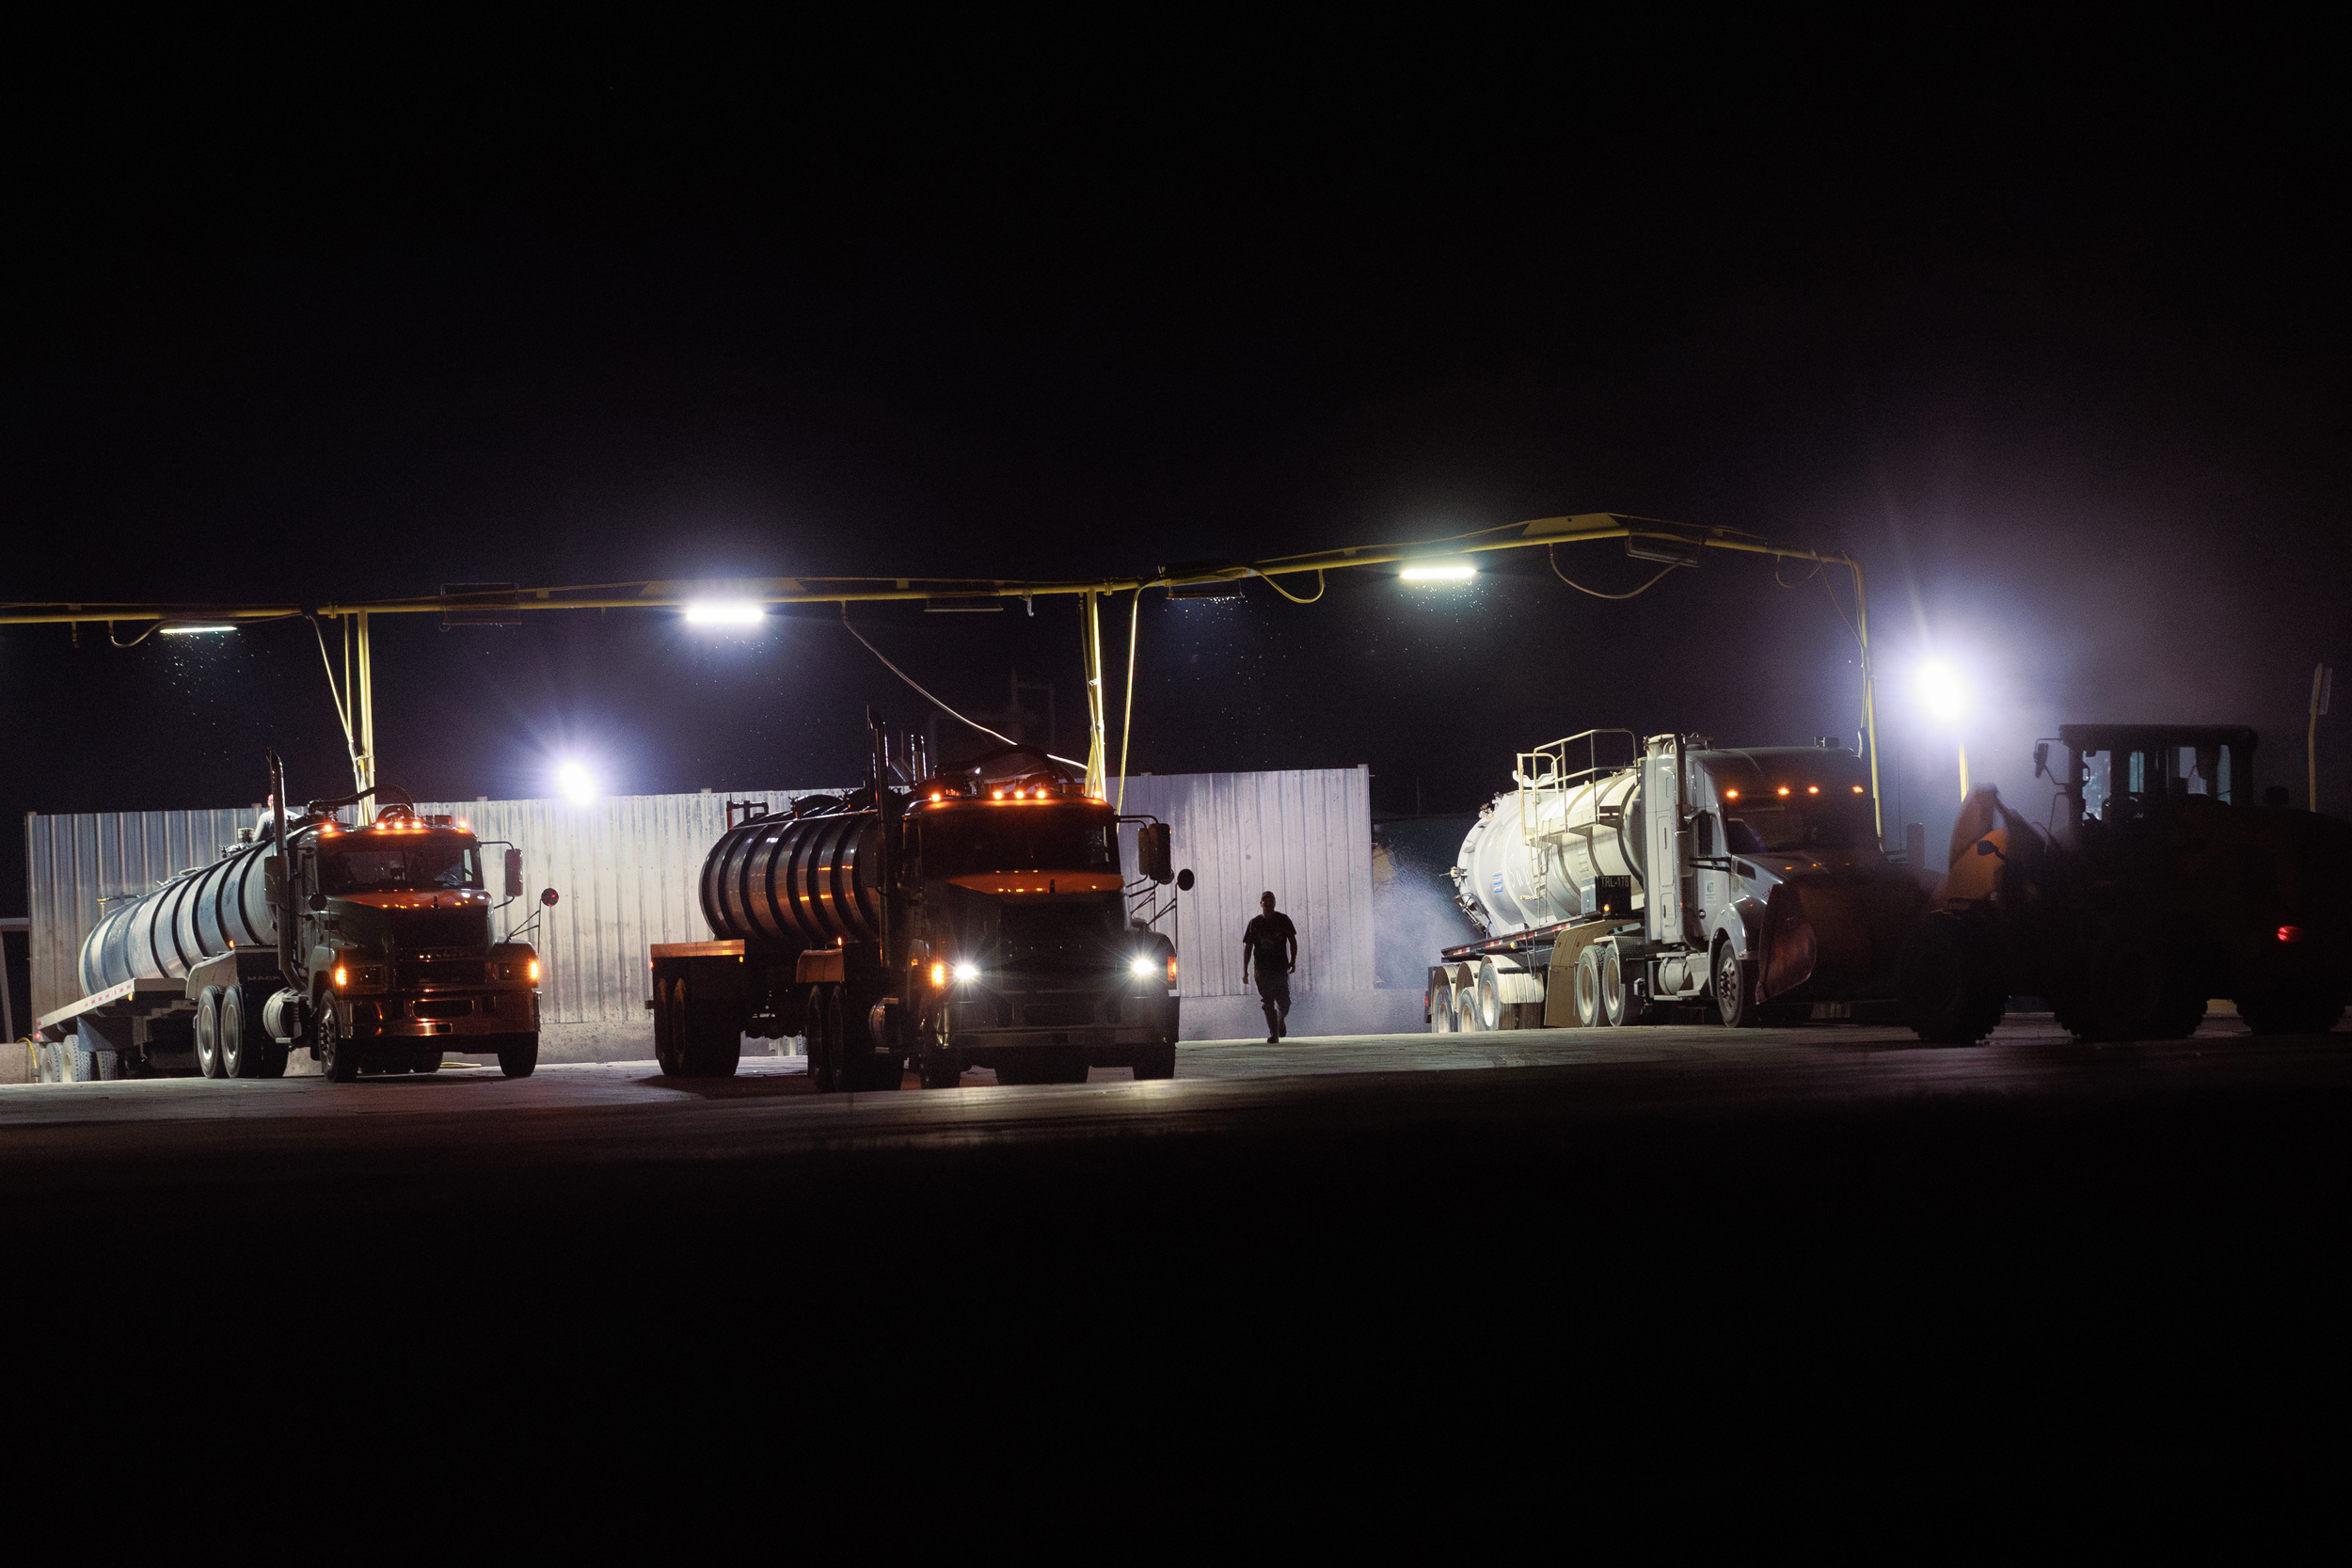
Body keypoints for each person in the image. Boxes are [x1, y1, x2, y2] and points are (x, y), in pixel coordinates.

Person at [1241, 891, 1297, 1044]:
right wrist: (1245, 970)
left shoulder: (1283, 920)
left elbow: (1292, 940)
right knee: (1268, 1001)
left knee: (1285, 1002)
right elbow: (1248, 947)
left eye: (1271, 901)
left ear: (1275, 903)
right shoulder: (1255, 923)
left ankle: (1280, 1020)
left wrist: (1293, 960)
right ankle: (1274, 1034)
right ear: (1261, 904)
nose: (1268, 904)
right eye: (1266, 901)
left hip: (1279, 967)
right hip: (1262, 969)